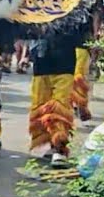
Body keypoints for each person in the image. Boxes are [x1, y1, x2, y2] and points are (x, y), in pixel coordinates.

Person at [30, 19, 95, 166]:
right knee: (41, 107)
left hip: (64, 64)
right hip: (41, 64)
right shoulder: (39, 4)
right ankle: (49, 143)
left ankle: (59, 148)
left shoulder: (76, 4)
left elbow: (85, 34)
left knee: (60, 107)